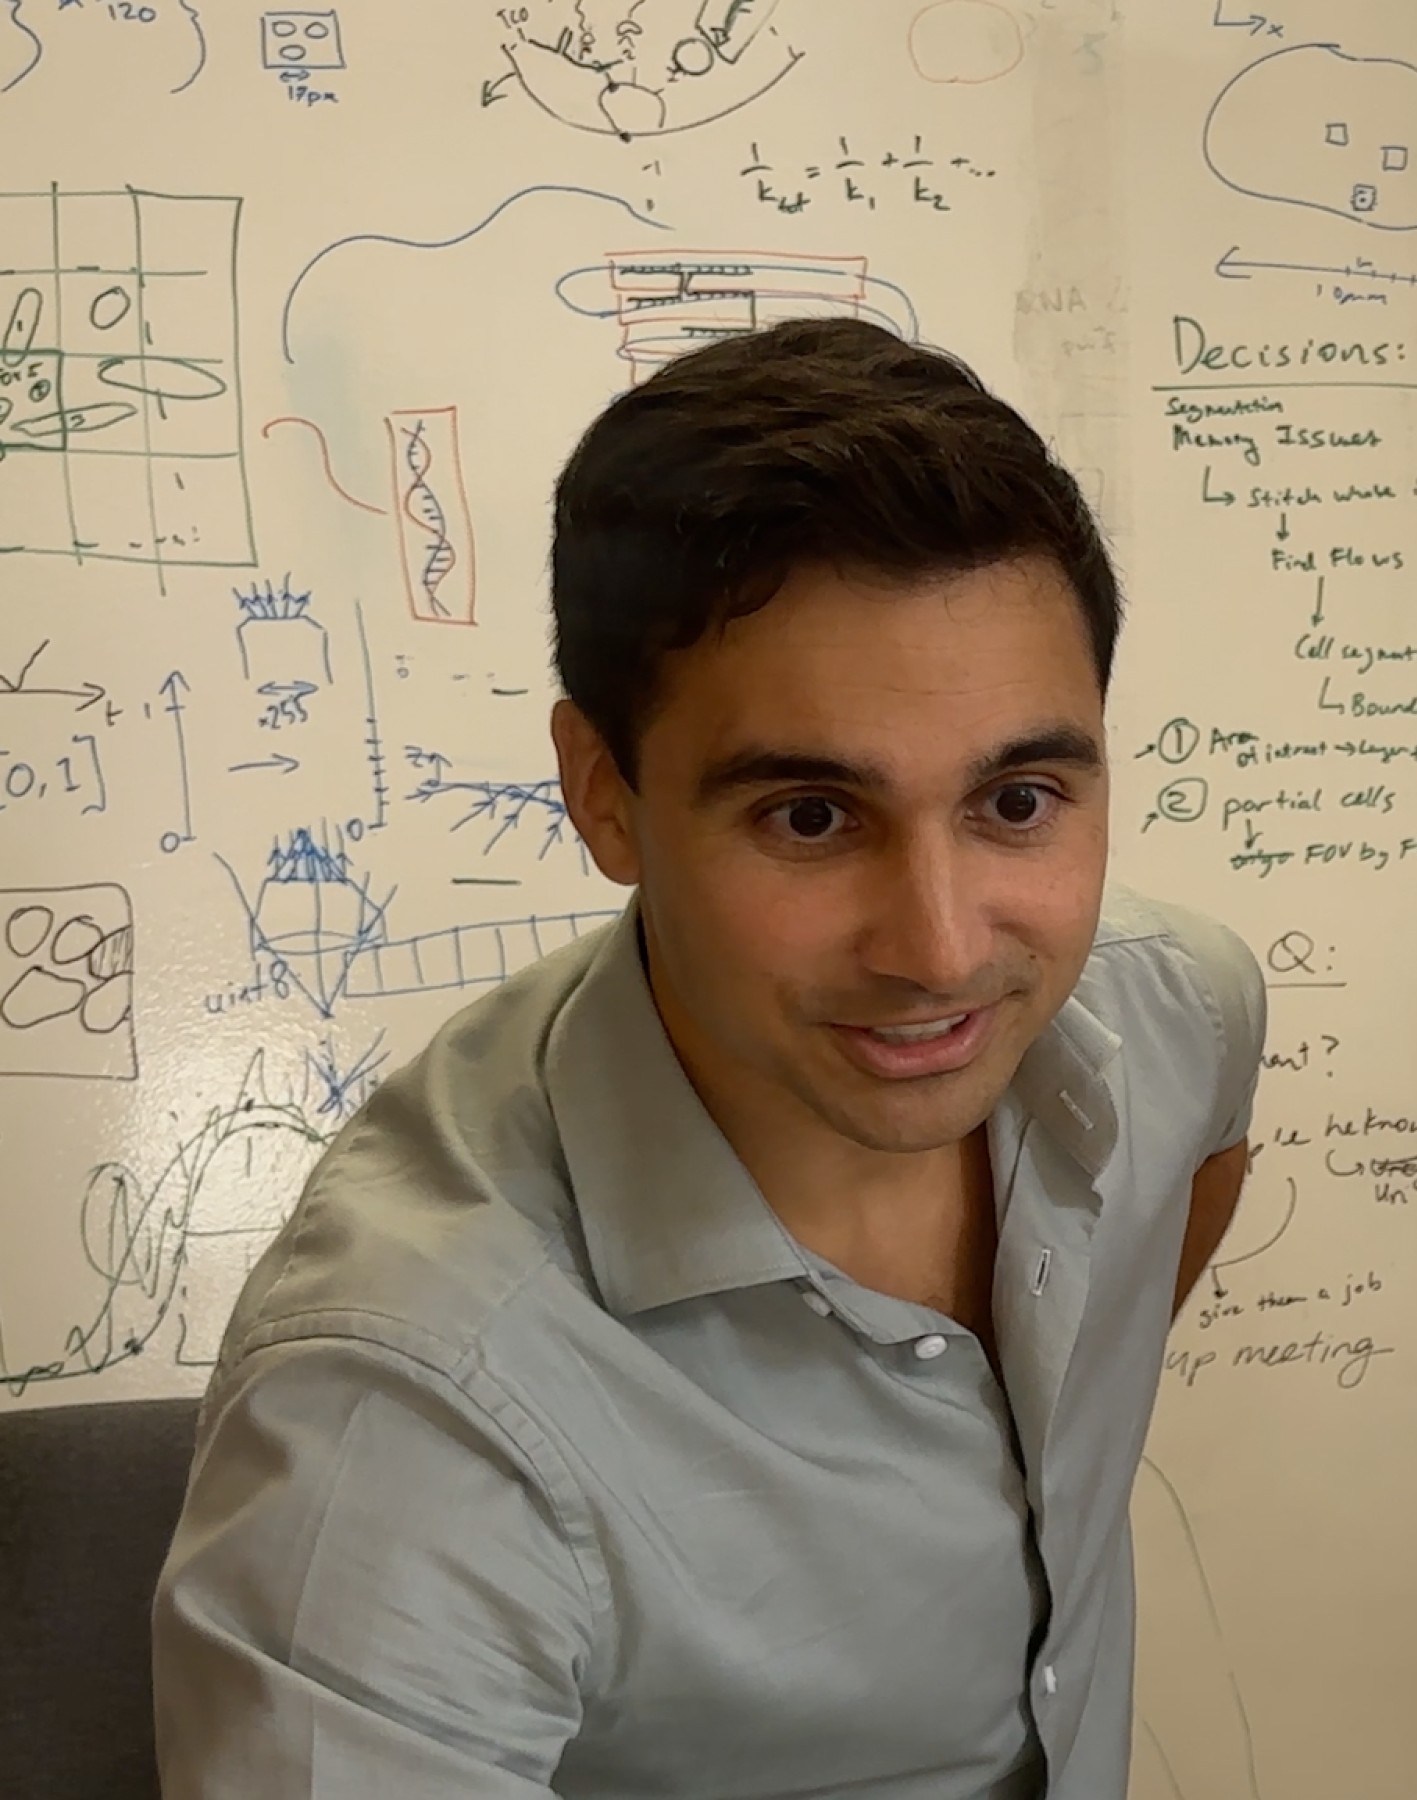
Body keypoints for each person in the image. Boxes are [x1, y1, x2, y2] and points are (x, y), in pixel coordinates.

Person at [153, 318, 1264, 1798]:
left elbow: (1185, 1182)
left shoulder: (1169, 1012)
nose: (939, 949)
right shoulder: (410, 1424)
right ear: (603, 794)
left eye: (1018, 799)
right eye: (811, 816)